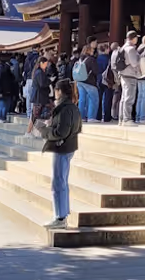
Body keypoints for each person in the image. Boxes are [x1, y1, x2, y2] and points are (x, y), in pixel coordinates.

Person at [43, 79, 82, 229]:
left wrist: (47, 131)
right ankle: (61, 215)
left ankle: (60, 216)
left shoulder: (65, 108)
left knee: (58, 182)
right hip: (69, 145)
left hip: (62, 146)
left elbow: (62, 131)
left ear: (59, 91)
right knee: (62, 181)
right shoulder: (72, 107)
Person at [113, 31, 143, 126]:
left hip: (123, 74)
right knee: (129, 97)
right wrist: (139, 58)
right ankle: (127, 119)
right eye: (136, 38)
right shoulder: (131, 49)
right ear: (133, 38)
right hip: (130, 75)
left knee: (124, 97)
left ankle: (121, 119)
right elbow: (134, 63)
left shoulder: (122, 48)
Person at [25, 57, 53, 137]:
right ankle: (29, 132)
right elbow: (42, 84)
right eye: (45, 64)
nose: (46, 65)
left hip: (41, 97)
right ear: (41, 63)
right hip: (39, 97)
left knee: (40, 114)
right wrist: (50, 81)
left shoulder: (38, 72)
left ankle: (34, 132)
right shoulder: (39, 72)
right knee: (35, 115)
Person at [73, 44, 100, 122]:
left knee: (82, 99)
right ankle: (91, 117)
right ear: (88, 50)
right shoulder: (91, 59)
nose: (93, 51)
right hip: (89, 81)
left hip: (79, 81)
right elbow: (96, 71)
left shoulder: (80, 59)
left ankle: (81, 117)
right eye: (92, 50)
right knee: (93, 98)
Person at [0, 57, 18, 122]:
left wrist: (0, 91)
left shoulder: (2, 73)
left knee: (1, 105)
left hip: (2, 91)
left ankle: (0, 117)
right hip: (7, 92)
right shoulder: (10, 75)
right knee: (5, 105)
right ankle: (3, 117)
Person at [94, 42, 109, 121]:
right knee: (107, 98)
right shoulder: (107, 58)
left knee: (98, 98)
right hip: (106, 79)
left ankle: (98, 116)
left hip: (98, 78)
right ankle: (106, 116)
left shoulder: (97, 58)